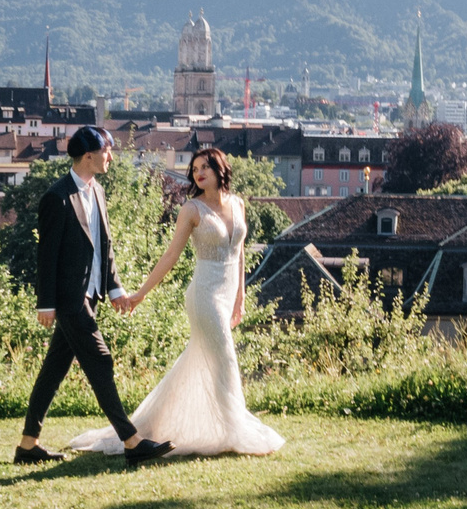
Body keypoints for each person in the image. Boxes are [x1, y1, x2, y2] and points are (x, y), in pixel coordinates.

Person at [68, 146, 284, 459]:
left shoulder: (238, 204)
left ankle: (156, 426)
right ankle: (235, 429)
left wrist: (241, 298)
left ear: (219, 169)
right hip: (204, 296)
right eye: (195, 168)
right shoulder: (191, 210)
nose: (198, 173)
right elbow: (171, 256)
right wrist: (140, 294)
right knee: (225, 358)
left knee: (198, 362)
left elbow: (238, 253)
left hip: (227, 295)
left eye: (205, 167)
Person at [18, 126, 173, 468]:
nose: (111, 157)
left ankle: (28, 444)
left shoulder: (98, 191)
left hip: (90, 296)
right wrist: (46, 303)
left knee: (54, 368)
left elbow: (105, 246)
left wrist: (115, 289)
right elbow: (47, 256)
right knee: (100, 360)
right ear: (88, 155)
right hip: (68, 298)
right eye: (107, 151)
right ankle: (132, 441)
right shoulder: (56, 197)